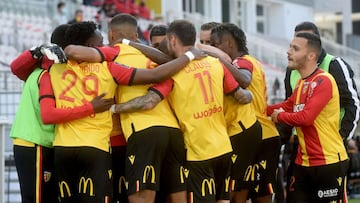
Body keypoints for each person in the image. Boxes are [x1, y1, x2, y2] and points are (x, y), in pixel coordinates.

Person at [48, 21, 204, 203]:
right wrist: (190, 56)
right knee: (176, 195)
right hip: (173, 131)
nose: (103, 44)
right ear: (136, 36)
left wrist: (113, 108)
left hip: (138, 132)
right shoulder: (152, 56)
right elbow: (164, 72)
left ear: (112, 35)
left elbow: (72, 52)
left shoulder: (110, 56)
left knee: (139, 196)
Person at [111, 19, 254, 203]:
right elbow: (242, 96)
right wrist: (250, 96)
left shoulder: (175, 72)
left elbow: (148, 102)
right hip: (224, 147)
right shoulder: (214, 64)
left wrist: (115, 107)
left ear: (172, 40)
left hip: (199, 152)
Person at [9, 24, 113, 203]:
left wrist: (35, 52)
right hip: (36, 141)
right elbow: (49, 115)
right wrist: (91, 108)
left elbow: (16, 68)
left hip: (40, 142)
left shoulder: (41, 70)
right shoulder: (49, 74)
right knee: (37, 199)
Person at [280, 21, 360, 200]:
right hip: (301, 149)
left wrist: (340, 137)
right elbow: (289, 106)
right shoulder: (292, 71)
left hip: (330, 150)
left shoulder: (334, 64)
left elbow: (353, 103)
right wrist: (281, 141)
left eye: (306, 39)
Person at [268, 32, 349, 203]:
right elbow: (286, 105)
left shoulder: (324, 81)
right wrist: (256, 109)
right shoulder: (301, 83)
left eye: (295, 48)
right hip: (303, 163)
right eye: (290, 46)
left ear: (311, 55)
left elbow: (306, 118)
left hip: (328, 163)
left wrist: (280, 117)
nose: (288, 52)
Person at [210, 23, 281, 203]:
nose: (213, 49)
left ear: (229, 44)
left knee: (247, 192)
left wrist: (219, 59)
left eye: (215, 45)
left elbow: (244, 79)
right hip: (262, 134)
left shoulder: (242, 62)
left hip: (259, 134)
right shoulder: (251, 61)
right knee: (249, 191)